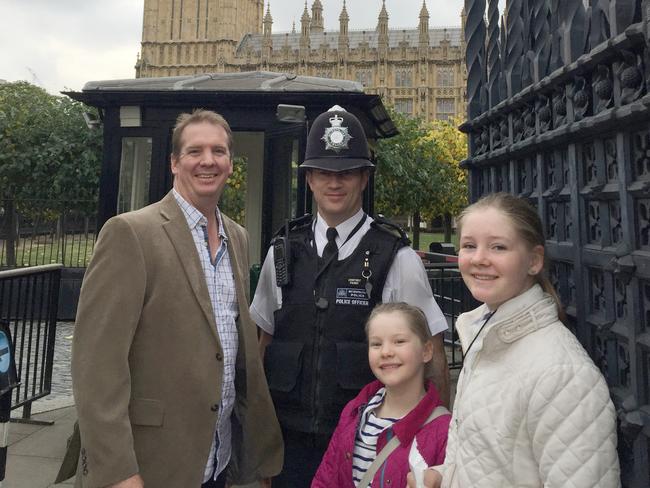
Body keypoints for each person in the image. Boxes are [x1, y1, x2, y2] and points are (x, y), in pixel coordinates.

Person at [68, 110, 283, 488]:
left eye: (219, 151)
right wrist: (118, 471)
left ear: (230, 164)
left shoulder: (238, 237)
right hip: (152, 465)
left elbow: (237, 354)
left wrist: (259, 455)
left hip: (218, 461)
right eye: (194, 151)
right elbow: (97, 365)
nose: (207, 161)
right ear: (173, 162)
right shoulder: (131, 233)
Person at [250, 105, 450, 486]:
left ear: (363, 178)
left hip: (367, 445)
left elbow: (433, 354)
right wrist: (259, 441)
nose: (335, 183)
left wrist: (435, 442)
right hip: (289, 443)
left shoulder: (397, 257)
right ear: (309, 178)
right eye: (324, 172)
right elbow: (264, 344)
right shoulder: (283, 250)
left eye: (346, 173)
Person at [408, 192, 621, 488]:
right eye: (469, 245)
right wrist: (443, 476)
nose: (479, 258)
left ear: (534, 261)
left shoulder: (564, 375)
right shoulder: (482, 337)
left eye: (498, 246)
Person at [312, 302, 451, 488]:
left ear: (426, 351)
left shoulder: (444, 430)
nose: (386, 352)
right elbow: (326, 479)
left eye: (399, 341)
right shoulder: (354, 412)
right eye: (376, 344)